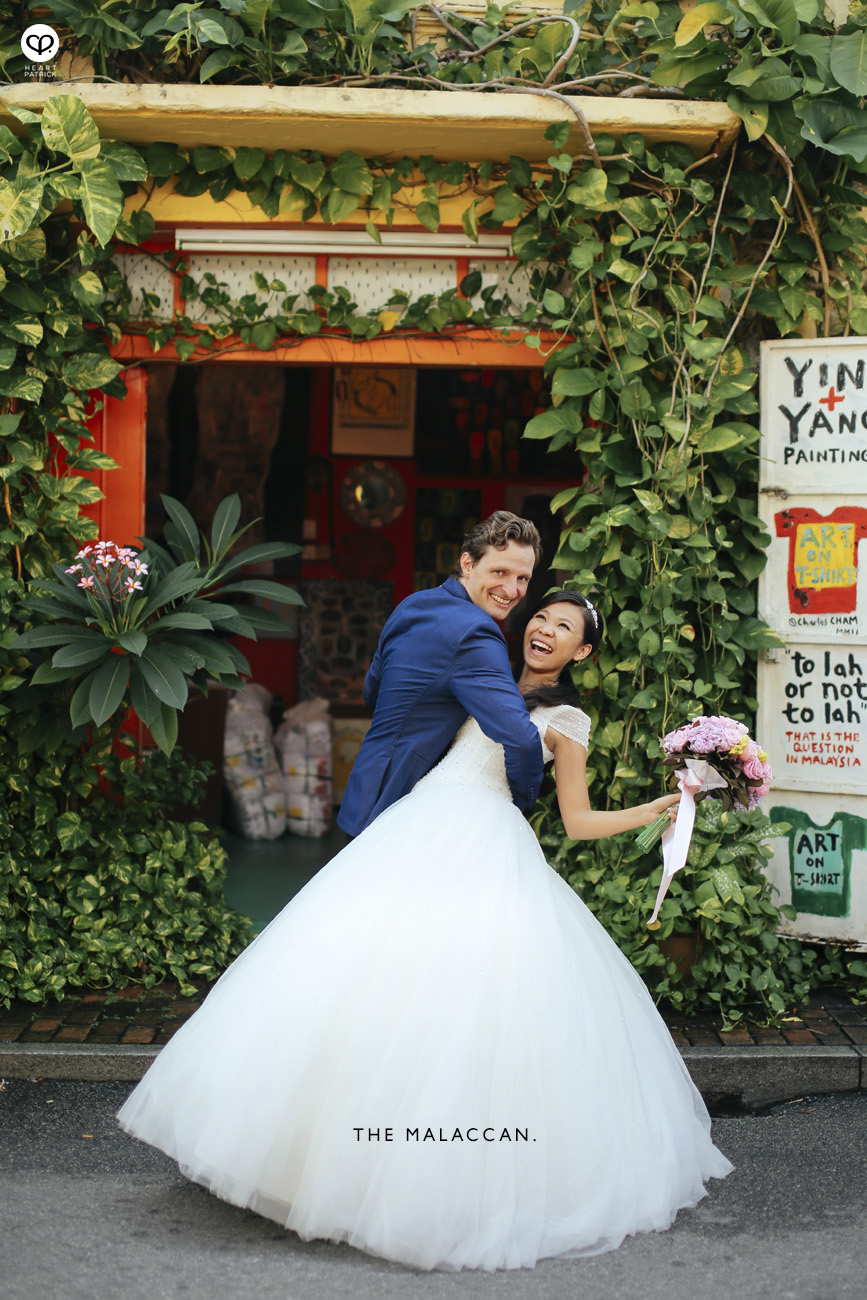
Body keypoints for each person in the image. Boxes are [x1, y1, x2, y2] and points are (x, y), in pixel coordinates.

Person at [117, 587, 732, 1272]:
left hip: (485, 841)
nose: (545, 630)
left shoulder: (568, 718)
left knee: (456, 994)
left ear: (581, 651)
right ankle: (308, 1159)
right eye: (541, 618)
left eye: (564, 627)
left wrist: (648, 811)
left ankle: (429, 1177)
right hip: (416, 824)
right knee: (357, 973)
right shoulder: (477, 669)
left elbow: (577, 820)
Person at [338, 510, 545, 837]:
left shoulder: (414, 604)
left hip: (364, 790)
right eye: (500, 571)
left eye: (523, 578)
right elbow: (519, 738)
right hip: (406, 806)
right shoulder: (477, 633)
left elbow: (372, 692)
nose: (511, 589)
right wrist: (523, 803)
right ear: (468, 563)